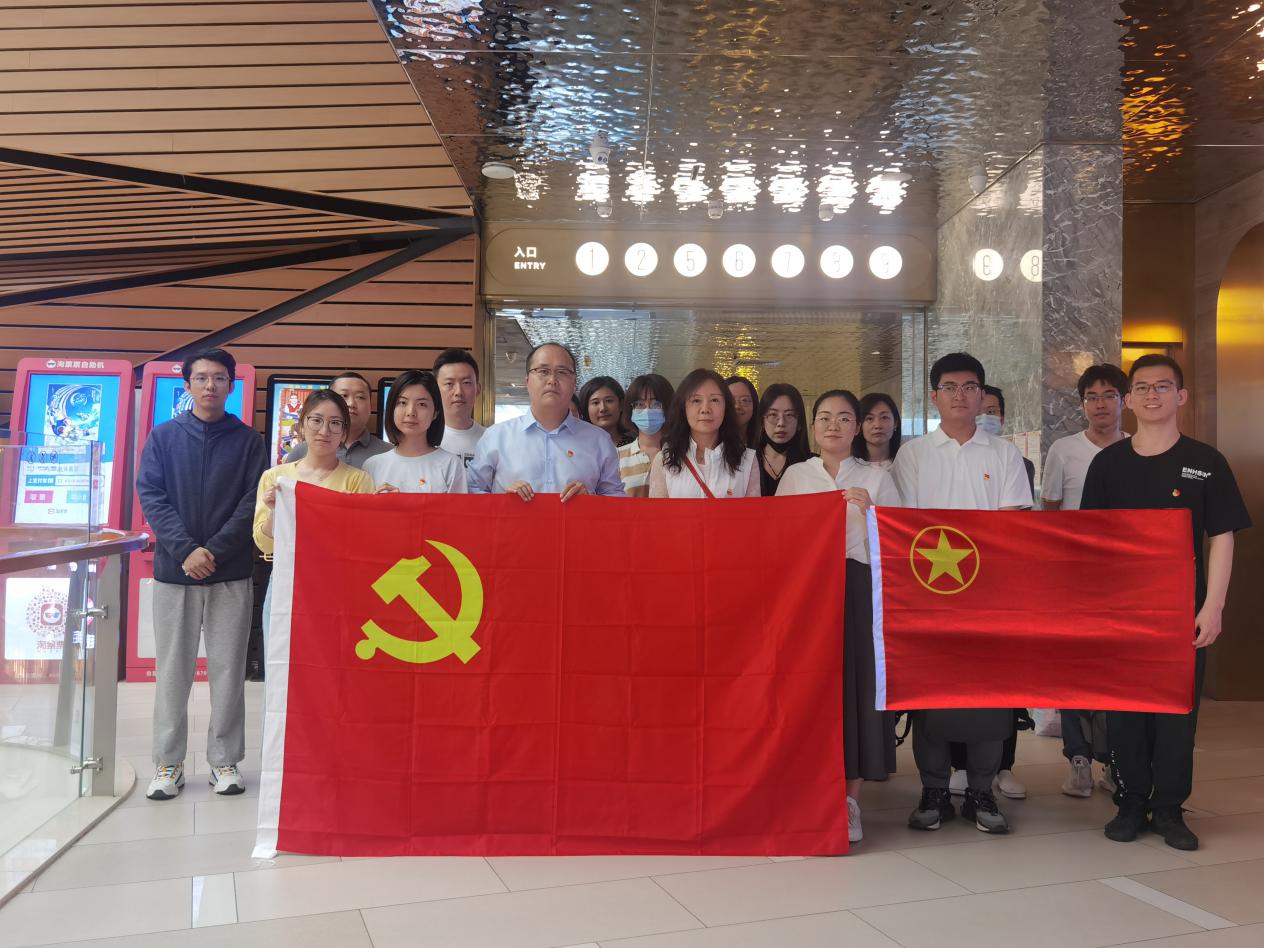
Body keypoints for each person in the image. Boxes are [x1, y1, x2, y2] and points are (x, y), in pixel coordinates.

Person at [1082, 354, 1250, 852]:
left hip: (1182, 611)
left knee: (1178, 712)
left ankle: (1171, 808)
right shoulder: (1108, 464)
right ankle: (1132, 802)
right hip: (1122, 611)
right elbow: (1090, 542)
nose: (1151, 395)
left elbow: (1222, 537)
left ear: (1181, 396)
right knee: (1127, 710)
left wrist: (1213, 606)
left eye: (1162, 386)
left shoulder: (1206, 462)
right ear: (1129, 400)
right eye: (1141, 387)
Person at [893, 352, 1033, 835]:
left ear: (982, 395)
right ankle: (933, 790)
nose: (960, 395)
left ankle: (981, 791)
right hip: (927, 597)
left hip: (989, 599)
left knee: (990, 698)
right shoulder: (913, 455)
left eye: (970, 387)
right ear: (933, 396)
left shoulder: (1003, 454)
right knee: (930, 698)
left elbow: (1012, 527)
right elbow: (905, 528)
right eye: (949, 387)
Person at [136, 348, 267, 801]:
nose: (210, 385)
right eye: (202, 378)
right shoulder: (163, 437)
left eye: (219, 378)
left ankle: (224, 760)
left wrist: (214, 550)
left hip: (230, 572)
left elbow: (253, 502)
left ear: (231, 384)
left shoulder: (248, 442)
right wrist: (187, 550)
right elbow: (151, 496)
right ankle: (167, 762)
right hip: (176, 572)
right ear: (187, 384)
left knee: (228, 672)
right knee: (173, 671)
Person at [777, 389, 901, 844]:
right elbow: (778, 537)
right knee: (813, 686)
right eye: (825, 417)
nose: (834, 425)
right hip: (808, 592)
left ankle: (850, 797)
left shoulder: (877, 477)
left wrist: (872, 512)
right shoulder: (796, 475)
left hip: (860, 589)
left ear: (857, 427)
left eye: (845, 418)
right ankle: (809, 789)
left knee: (860, 687)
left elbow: (898, 542)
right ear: (813, 427)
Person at [1044, 363, 1130, 799]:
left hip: (1124, 578)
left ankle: (1115, 760)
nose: (1100, 404)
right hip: (1073, 577)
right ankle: (1077, 757)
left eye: (1108, 395)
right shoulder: (1063, 450)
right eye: (1091, 397)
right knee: (1072, 665)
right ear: (1081, 404)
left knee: (1115, 668)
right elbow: (1050, 513)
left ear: (1124, 401)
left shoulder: (1138, 450)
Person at [952, 384, 1036, 801]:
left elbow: (1017, 525)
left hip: (998, 585)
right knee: (957, 680)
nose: (985, 415)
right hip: (952, 580)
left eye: (993, 410)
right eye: (980, 407)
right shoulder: (939, 457)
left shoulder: (1012, 459)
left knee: (1001, 680)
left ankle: (1003, 764)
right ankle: (957, 766)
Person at [254, 389, 376, 644]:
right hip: (287, 584)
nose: (325, 431)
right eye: (316, 420)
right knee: (283, 661)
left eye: (335, 423)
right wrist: (275, 512)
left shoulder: (358, 479)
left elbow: (365, 545)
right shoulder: (276, 477)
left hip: (339, 588)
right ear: (301, 425)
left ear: (344, 432)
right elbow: (264, 545)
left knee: (333, 662)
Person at [468, 343, 625, 500]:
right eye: (543, 371)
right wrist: (503, 501)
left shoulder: (599, 441)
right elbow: (473, 492)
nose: (552, 380)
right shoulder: (496, 437)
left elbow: (616, 498)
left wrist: (591, 501)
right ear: (527, 381)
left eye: (562, 372)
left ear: (574, 383)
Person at [649, 368, 759, 498]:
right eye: (696, 400)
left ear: (726, 407)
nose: (705, 409)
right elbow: (658, 511)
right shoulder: (665, 460)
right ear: (683, 407)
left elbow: (753, 511)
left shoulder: (747, 460)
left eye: (714, 400)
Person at [363, 370, 467, 494]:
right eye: (402, 403)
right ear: (391, 409)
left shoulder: (451, 465)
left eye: (421, 404)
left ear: (435, 413)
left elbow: (457, 507)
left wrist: (404, 501)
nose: (411, 412)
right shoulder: (372, 465)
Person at [284, 371, 390, 468]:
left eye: (360, 397)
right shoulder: (301, 451)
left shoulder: (388, 453)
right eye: (343, 395)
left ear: (370, 406)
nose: (351, 403)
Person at [618, 373, 674, 497]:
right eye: (639, 404)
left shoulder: (680, 454)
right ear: (630, 409)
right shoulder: (617, 456)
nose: (647, 410)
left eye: (656, 404)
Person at [755, 383, 812, 496]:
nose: (781, 423)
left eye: (789, 415)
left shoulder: (812, 464)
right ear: (762, 421)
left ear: (799, 422)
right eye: (773, 414)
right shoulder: (745, 462)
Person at [432, 348, 486, 466]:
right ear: (435, 390)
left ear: (478, 389)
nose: (458, 392)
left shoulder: (491, 439)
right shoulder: (425, 440)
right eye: (449, 384)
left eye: (466, 383)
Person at [579, 375, 634, 446]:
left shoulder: (636, 446)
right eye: (595, 403)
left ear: (621, 404)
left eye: (609, 401)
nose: (603, 408)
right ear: (586, 409)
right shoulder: (579, 447)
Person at [853, 392, 902, 469]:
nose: (877, 425)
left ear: (895, 423)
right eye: (869, 418)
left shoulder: (906, 462)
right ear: (859, 425)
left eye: (884, 417)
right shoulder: (849, 466)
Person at [725, 375, 761, 447]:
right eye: (731, 400)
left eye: (744, 400)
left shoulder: (764, 442)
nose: (737, 406)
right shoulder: (712, 444)